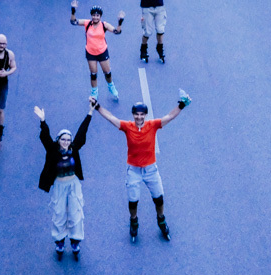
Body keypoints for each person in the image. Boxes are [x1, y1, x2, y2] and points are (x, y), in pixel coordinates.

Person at [90, 89, 191, 241]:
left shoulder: (153, 125)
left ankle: (161, 220)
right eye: (136, 114)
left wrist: (182, 105)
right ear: (133, 115)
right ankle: (134, 221)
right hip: (134, 171)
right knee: (133, 201)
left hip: (151, 170)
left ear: (145, 115)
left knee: (159, 199)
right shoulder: (127, 126)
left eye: (141, 114)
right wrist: (97, 107)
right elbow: (111, 117)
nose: (139, 117)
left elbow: (169, 116)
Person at [35, 101, 95, 260]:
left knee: (75, 214)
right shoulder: (53, 150)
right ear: (58, 140)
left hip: (73, 185)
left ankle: (75, 241)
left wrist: (89, 113)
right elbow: (45, 137)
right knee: (59, 213)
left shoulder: (74, 149)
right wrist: (43, 121)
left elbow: (82, 133)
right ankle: (60, 241)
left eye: (68, 140)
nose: (67, 142)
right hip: (60, 186)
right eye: (64, 139)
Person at [70, 1, 125, 100]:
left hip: (102, 52)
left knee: (107, 72)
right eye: (94, 15)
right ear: (91, 15)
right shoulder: (87, 23)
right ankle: (94, 92)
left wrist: (120, 22)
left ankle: (111, 87)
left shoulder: (104, 25)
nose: (95, 17)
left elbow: (117, 32)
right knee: (93, 74)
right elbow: (73, 22)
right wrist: (73, 11)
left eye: (97, 15)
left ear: (100, 16)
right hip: (91, 53)